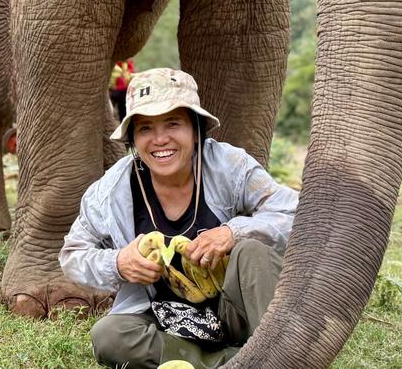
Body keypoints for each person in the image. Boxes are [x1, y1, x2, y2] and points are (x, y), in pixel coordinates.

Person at [60, 68, 298, 369]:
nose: (160, 140)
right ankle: (236, 363)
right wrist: (118, 263)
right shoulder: (111, 191)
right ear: (132, 138)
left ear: (196, 129)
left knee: (252, 252)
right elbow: (72, 255)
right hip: (167, 322)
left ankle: (279, 355)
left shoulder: (230, 166)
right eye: (145, 128)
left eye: (173, 123)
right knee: (109, 336)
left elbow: (294, 214)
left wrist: (233, 233)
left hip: (236, 312)